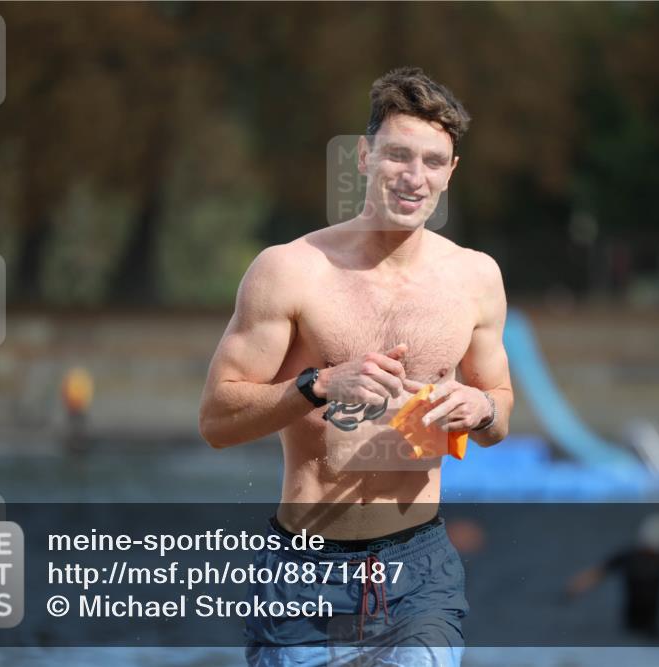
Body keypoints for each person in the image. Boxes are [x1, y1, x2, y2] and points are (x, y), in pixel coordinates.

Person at [199, 67, 514, 666]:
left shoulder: (477, 278)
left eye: (431, 161)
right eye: (398, 155)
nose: (413, 177)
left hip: (420, 572)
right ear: (365, 157)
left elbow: (499, 414)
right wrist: (318, 385)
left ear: (451, 173)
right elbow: (216, 420)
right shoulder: (290, 270)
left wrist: (483, 407)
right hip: (303, 569)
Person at [565, 513, 659, 639]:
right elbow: (595, 574)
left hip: (650, 628)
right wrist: (572, 590)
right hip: (634, 627)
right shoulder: (632, 556)